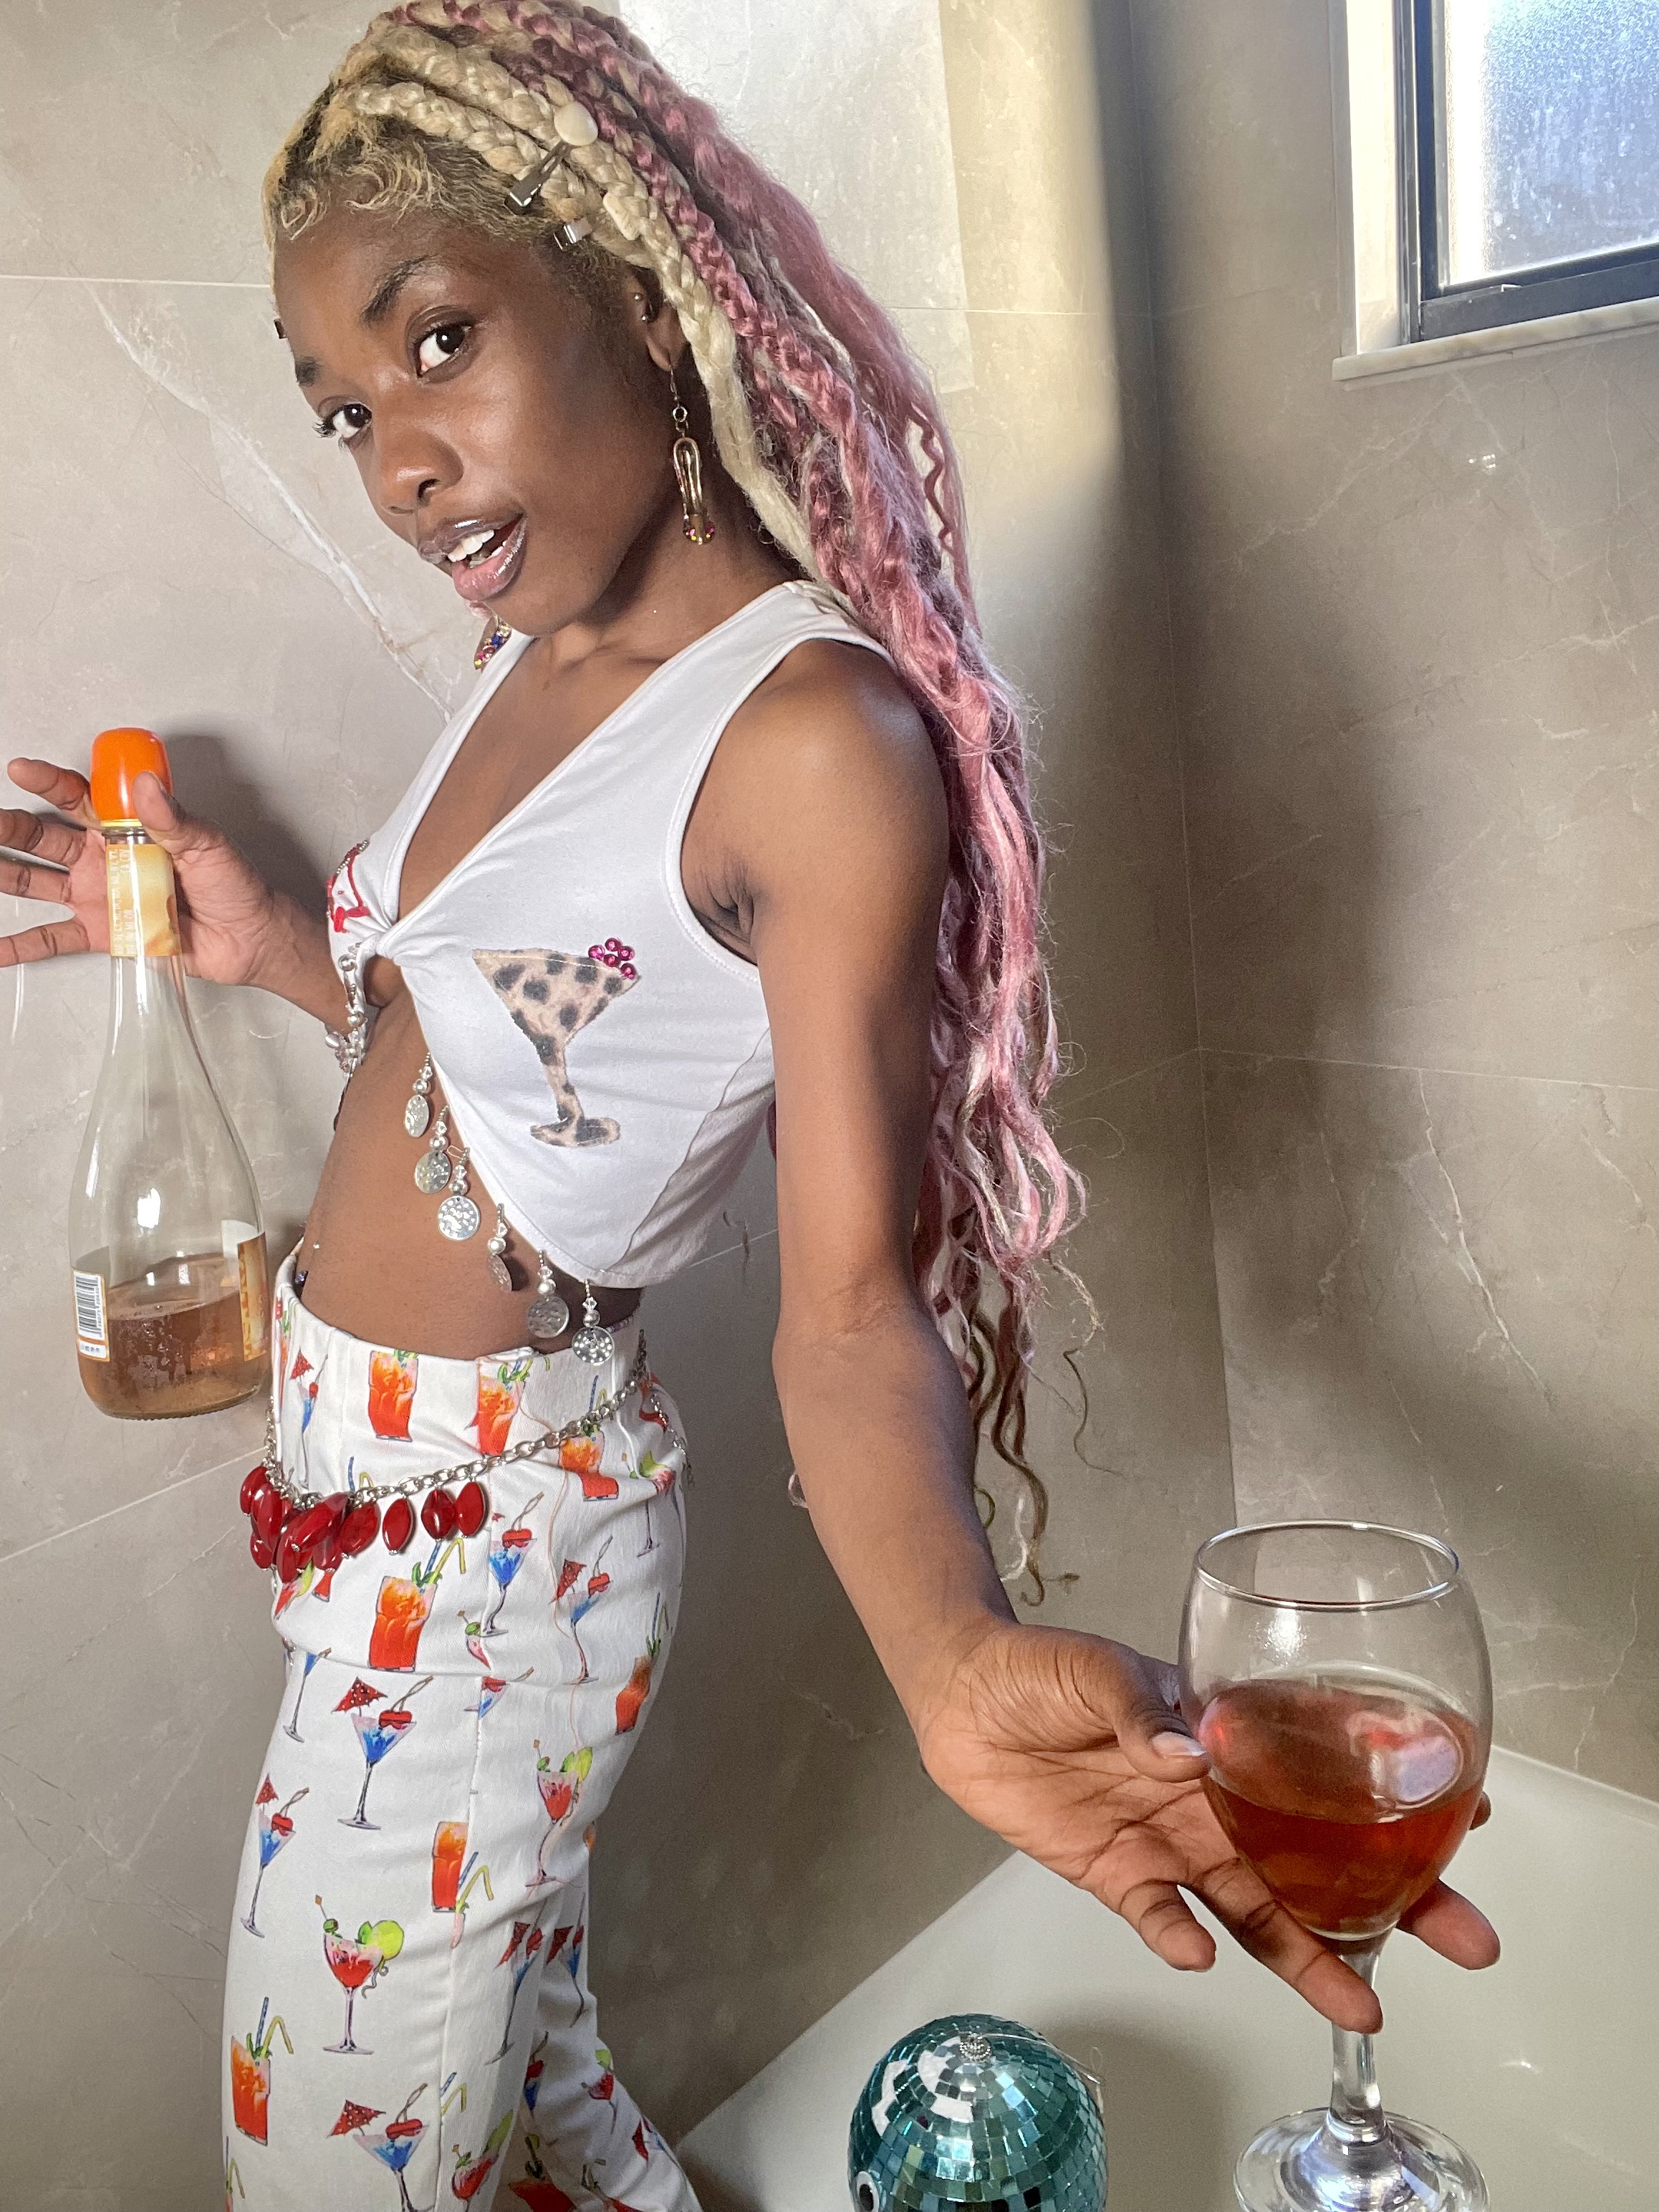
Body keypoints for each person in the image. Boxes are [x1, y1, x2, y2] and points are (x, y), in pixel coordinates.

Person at [0, 5, 1498, 2206]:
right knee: (530, 2086)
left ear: (631, 283)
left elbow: (848, 1303)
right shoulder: (535, 661)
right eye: (344, 407)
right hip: (371, 1512)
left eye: (439, 340)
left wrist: (950, 1656)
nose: (396, 460)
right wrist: (278, 949)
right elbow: (524, 1076)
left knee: (325, 2161)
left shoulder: (804, 742)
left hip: (489, 1561)